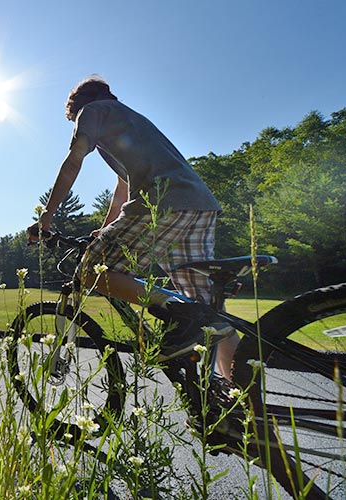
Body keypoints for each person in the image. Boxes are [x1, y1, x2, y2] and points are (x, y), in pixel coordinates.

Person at [28, 76, 239, 379]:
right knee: (211, 317)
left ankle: (179, 312)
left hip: (161, 203)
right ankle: (242, 402)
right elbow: (122, 189)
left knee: (93, 271)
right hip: (199, 205)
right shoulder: (133, 119)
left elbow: (74, 158)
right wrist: (104, 230)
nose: (77, 123)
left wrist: (46, 217)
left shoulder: (93, 111)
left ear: (78, 108)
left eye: (74, 119)